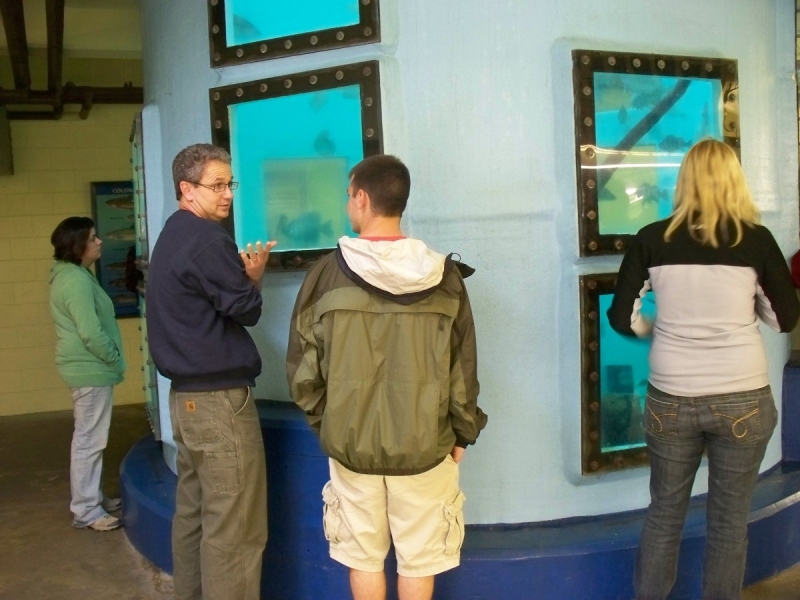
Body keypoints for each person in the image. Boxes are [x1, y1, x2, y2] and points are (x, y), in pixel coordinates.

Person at [286, 154, 488, 600]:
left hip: (352, 448)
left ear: (361, 197)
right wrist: (462, 433)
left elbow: (303, 372)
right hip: (425, 447)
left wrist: (333, 423)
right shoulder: (445, 277)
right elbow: (463, 370)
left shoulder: (324, 276)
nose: (347, 205)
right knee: (420, 560)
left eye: (347, 196)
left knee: (363, 558)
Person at [607, 139, 800, 599]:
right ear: (735, 180)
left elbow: (621, 316)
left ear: (685, 179)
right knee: (729, 522)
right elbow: (785, 317)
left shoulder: (653, 238)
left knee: (664, 513)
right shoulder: (756, 239)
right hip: (743, 399)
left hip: (670, 398)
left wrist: (652, 324)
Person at [146, 143, 277, 600]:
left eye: (229, 184)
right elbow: (245, 311)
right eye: (216, 185)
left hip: (184, 401)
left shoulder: (172, 234)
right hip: (220, 403)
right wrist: (254, 277)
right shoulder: (207, 239)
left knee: (194, 517)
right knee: (235, 530)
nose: (227, 195)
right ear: (188, 189)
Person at [49, 216, 126, 532]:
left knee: (89, 438)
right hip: (90, 370)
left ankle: (92, 498)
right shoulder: (76, 280)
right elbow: (91, 332)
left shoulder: (73, 275)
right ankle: (86, 510)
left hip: (87, 370)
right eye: (93, 237)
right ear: (78, 244)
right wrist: (113, 356)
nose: (99, 242)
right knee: (89, 441)